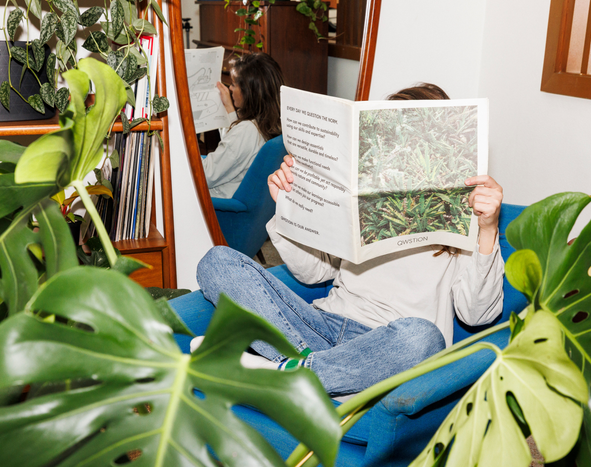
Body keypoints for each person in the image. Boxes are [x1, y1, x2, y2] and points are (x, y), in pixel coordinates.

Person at [195, 83, 504, 397]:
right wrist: (289, 206)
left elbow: (477, 315)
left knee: (423, 338)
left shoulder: (466, 217)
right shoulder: (361, 195)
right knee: (217, 262)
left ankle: (281, 368)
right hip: (322, 328)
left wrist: (488, 229)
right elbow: (315, 274)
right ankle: (301, 371)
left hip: (388, 349)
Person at [202, 53, 285, 199]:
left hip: (218, 206)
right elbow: (235, 150)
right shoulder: (271, 124)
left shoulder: (246, 132)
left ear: (249, 92)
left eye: (234, 84)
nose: (230, 89)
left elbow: (205, 175)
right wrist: (229, 107)